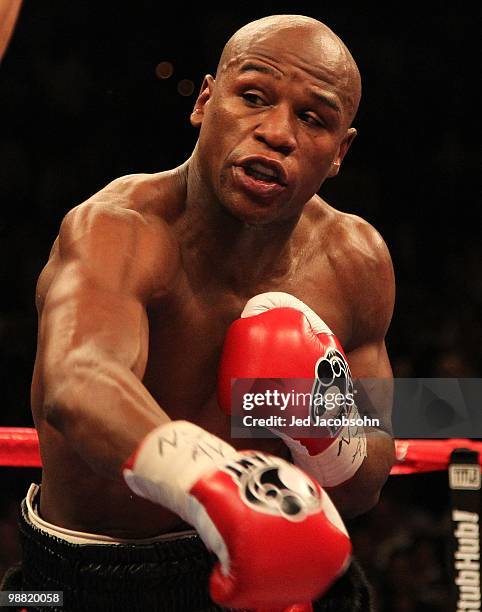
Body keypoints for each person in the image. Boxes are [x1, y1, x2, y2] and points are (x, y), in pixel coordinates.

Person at [16, 14, 395, 612]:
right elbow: (78, 382)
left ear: (340, 151)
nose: (277, 132)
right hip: (86, 579)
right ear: (204, 100)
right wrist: (223, 481)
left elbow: (367, 480)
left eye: (313, 118)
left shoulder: (355, 259)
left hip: (287, 565)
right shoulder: (117, 228)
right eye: (252, 97)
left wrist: (329, 426)